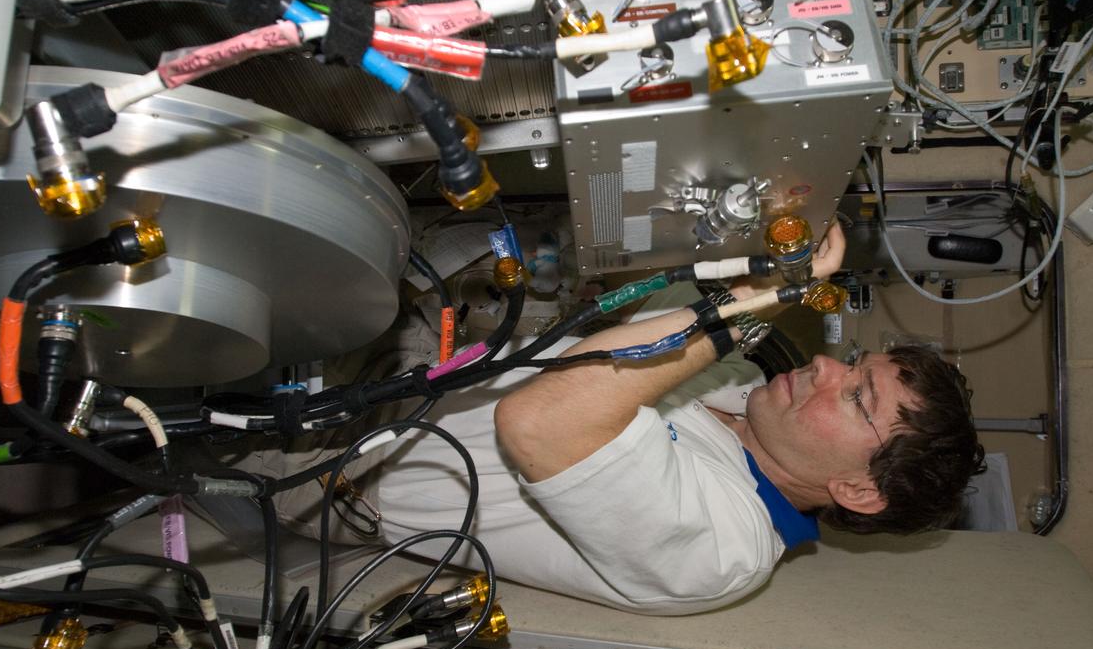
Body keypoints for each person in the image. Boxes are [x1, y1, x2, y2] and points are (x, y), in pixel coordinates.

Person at [250, 224, 986, 615]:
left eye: (857, 399)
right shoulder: (739, 392)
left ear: (860, 490)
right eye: (854, 367)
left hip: (338, 469)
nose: (828, 369)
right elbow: (665, 297)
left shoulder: (723, 550)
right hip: (409, 373)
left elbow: (538, 423)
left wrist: (749, 307)